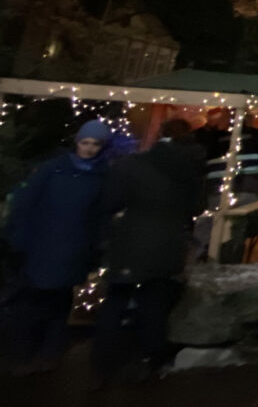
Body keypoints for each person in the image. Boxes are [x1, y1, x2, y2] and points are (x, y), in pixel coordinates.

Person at [92, 119, 205, 385]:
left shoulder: (131, 165)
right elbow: (197, 207)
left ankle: (103, 363)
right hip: (168, 243)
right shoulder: (187, 171)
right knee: (154, 304)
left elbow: (110, 202)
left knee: (116, 300)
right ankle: (150, 359)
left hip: (130, 242)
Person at [3, 119, 112, 374]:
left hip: (72, 248)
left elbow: (98, 218)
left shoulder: (100, 176)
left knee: (56, 304)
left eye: (95, 144)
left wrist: (91, 250)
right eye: (85, 142)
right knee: (34, 303)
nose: (89, 148)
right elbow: (24, 204)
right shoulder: (52, 170)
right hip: (41, 245)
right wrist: (17, 241)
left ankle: (45, 353)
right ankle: (25, 353)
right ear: (77, 142)